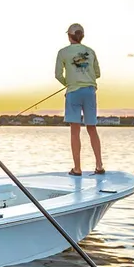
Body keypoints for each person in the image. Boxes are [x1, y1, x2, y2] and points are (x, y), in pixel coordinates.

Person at [55, 23, 104, 176]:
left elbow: (58, 75)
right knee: (92, 128)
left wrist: (69, 83)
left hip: (73, 92)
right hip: (90, 91)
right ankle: (99, 166)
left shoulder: (63, 52)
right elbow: (97, 73)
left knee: (75, 131)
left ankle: (77, 168)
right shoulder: (90, 51)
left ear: (69, 36)